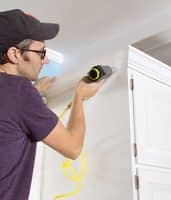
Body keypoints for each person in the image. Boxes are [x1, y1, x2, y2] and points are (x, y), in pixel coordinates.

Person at [0, 9, 102, 200]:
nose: (45, 60)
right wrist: (79, 96)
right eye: (41, 53)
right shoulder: (21, 92)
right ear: (14, 54)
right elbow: (73, 148)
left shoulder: (16, 95)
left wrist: (35, 92)